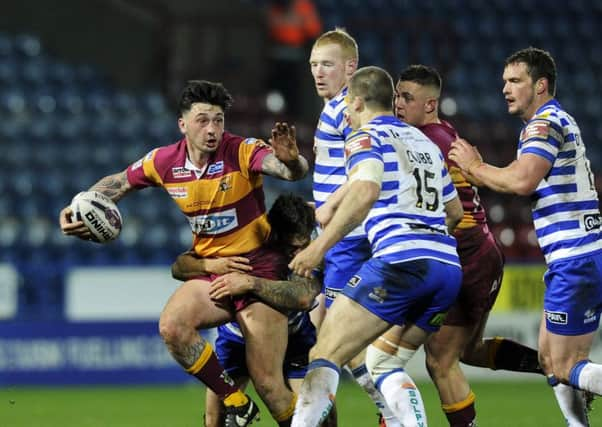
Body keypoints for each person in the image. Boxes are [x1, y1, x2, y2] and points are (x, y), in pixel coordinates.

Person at [59, 80, 309, 427]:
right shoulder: (164, 162)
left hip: (258, 270)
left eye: (218, 120)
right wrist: (76, 206)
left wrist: (292, 161)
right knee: (172, 327)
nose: (212, 129)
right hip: (212, 270)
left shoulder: (240, 151)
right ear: (183, 124)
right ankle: (236, 401)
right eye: (203, 120)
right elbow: (117, 183)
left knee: (269, 384)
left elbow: (287, 170)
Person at [393, 63, 591, 426]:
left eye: (406, 97)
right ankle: (557, 376)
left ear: (430, 103)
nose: (397, 105)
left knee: (438, 358)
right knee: (473, 352)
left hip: (469, 253)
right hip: (483, 252)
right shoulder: (436, 135)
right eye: (395, 96)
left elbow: (520, 182)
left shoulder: (428, 140)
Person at [288, 66, 464, 427]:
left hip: (401, 263)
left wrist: (318, 248)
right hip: (447, 268)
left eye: (347, 107)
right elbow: (455, 211)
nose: (346, 115)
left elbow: (365, 192)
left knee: (325, 351)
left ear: (356, 102)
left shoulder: (364, 137)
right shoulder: (425, 143)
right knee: (383, 362)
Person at [449, 47, 602, 424]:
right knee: (552, 361)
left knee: (563, 365)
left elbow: (522, 180)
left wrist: (475, 167)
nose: (505, 88)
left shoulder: (543, 124)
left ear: (541, 85)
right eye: (504, 81)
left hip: (576, 258)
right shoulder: (550, 122)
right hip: (581, 255)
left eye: (515, 81)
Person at [171, 193, 335, 427]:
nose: (298, 254)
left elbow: (303, 297)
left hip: (296, 336)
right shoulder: (244, 237)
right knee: (214, 420)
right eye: (292, 246)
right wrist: (208, 264)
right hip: (238, 336)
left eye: (303, 245)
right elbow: (179, 267)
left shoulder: (316, 249)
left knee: (322, 418)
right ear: (275, 232)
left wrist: (251, 283)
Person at [309, 28, 399, 427]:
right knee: (320, 338)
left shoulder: (350, 109)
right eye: (313, 65)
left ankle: (392, 412)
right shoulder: (332, 109)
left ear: (350, 67)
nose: (318, 72)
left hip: (348, 237)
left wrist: (331, 204)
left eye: (326, 64)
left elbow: (365, 170)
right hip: (331, 238)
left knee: (338, 340)